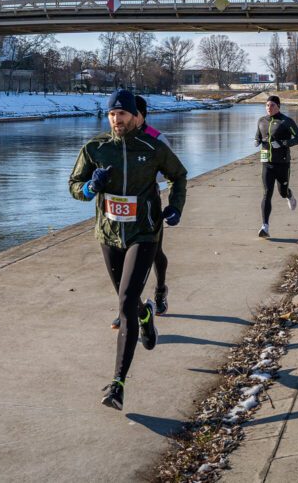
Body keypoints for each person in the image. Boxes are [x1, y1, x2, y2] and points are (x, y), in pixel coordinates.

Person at [69, 90, 188, 411]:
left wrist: (175, 207)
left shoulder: (152, 148)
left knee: (124, 304)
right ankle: (146, 314)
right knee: (130, 302)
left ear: (136, 116)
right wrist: (91, 186)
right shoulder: (95, 149)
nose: (116, 119)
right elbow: (74, 187)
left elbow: (179, 175)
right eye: (111, 114)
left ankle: (118, 383)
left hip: (144, 234)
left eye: (122, 113)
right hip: (108, 235)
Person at [109, 95, 172, 330]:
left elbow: (169, 171)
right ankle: (128, 310)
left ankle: (160, 290)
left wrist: (142, 177)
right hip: (120, 207)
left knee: (155, 254)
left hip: (148, 205)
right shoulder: (115, 139)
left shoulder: (157, 138)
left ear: (141, 115)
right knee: (122, 259)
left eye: (131, 113)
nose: (125, 118)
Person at [254, 95, 298, 238]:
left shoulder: (286, 121)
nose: (269, 108)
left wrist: (283, 143)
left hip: (282, 163)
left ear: (278, 107)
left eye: (272, 106)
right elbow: (258, 135)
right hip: (266, 163)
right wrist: (257, 141)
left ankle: (289, 195)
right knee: (267, 193)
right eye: (267, 105)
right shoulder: (261, 121)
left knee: (281, 192)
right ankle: (265, 226)